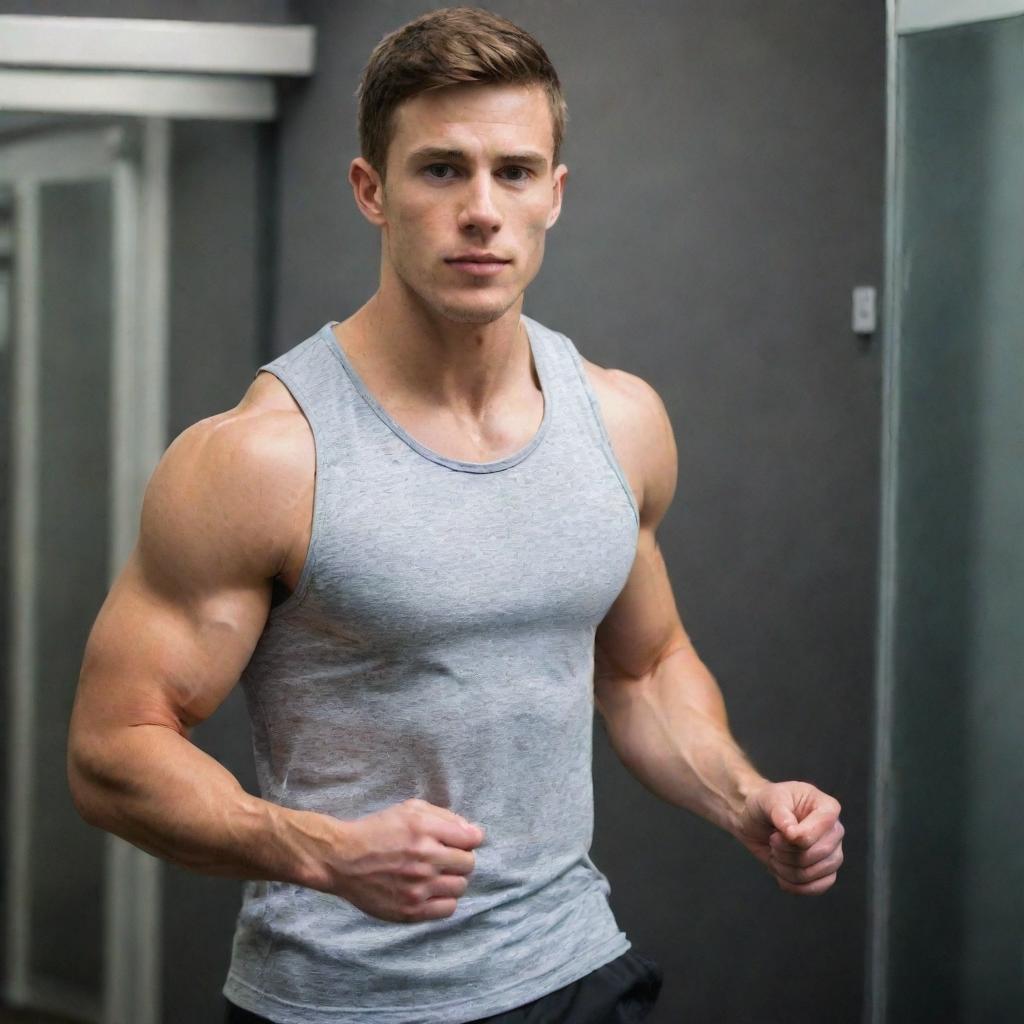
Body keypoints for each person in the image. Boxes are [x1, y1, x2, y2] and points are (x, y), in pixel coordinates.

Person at [67, 7, 845, 1024]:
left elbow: (645, 670)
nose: (481, 209)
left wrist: (743, 797)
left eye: (514, 172)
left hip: (575, 970)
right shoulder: (265, 456)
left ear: (554, 195)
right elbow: (112, 749)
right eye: (440, 170)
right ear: (371, 191)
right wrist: (327, 849)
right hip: (340, 1002)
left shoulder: (620, 421)